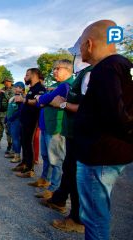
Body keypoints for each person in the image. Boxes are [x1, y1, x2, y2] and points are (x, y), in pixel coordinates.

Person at [74, 20, 133, 240]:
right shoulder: (125, 66)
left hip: (99, 156)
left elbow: (115, 114)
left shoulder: (106, 68)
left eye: (80, 46)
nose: (80, 51)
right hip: (109, 154)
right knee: (98, 212)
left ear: (89, 44)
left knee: (94, 216)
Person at [40, 38, 92, 233]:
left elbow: (89, 107)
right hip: (72, 132)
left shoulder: (90, 74)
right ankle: (60, 199)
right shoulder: (82, 75)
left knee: (76, 174)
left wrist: (61, 103)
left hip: (79, 134)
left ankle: (78, 219)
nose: (77, 57)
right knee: (69, 170)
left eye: (58, 69)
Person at [27, 60, 74, 198]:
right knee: (46, 156)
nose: (54, 71)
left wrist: (43, 99)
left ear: (67, 70)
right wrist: (45, 100)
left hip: (55, 128)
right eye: (54, 69)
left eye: (57, 69)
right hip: (45, 125)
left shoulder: (66, 85)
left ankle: (54, 188)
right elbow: (42, 102)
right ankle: (44, 180)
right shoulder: (55, 85)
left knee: (56, 160)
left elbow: (43, 100)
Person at [12, 68, 46, 177]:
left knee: (28, 143)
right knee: (23, 141)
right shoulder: (31, 88)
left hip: (32, 120)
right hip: (25, 119)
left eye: (27, 75)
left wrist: (24, 100)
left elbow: (38, 102)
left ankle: (29, 169)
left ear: (34, 75)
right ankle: (24, 163)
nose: (25, 77)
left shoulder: (40, 88)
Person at [0, 78, 14, 150]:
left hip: (6, 113)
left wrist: (4, 93)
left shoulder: (13, 90)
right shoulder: (1, 89)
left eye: (8, 81)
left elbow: (11, 99)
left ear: (11, 82)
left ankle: (10, 146)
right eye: (5, 82)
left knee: (7, 130)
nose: (6, 83)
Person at [6, 82, 25, 163]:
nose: (14, 88)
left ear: (21, 89)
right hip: (11, 120)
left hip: (16, 121)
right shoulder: (13, 97)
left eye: (17, 87)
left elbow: (20, 111)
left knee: (16, 138)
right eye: (14, 87)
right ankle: (13, 152)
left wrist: (12, 118)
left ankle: (17, 155)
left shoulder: (22, 97)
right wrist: (6, 119)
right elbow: (10, 109)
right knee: (12, 136)